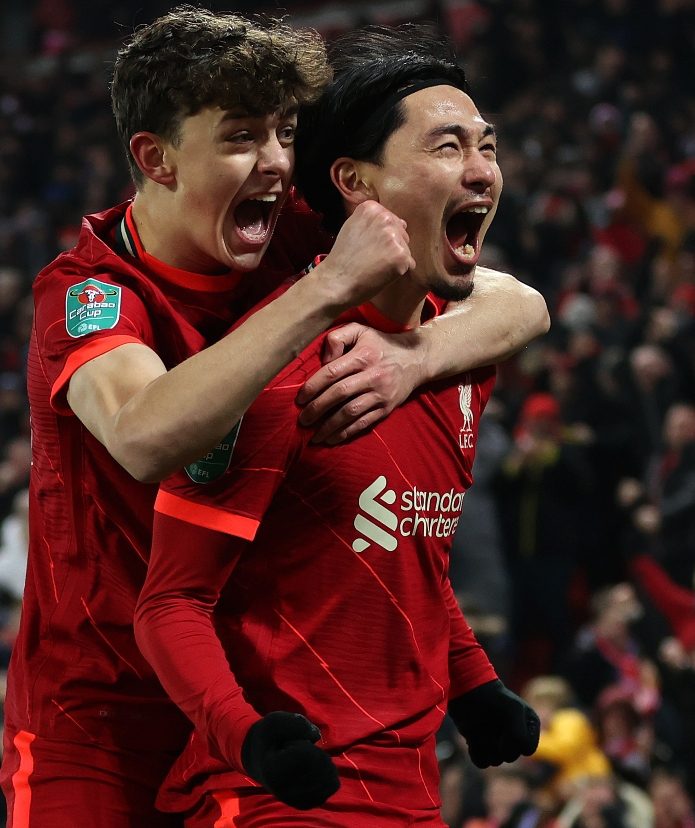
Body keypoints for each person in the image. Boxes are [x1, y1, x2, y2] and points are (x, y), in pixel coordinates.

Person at [0, 8, 549, 827]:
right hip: (101, 717)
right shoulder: (91, 293)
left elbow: (519, 302)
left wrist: (413, 356)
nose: (274, 163)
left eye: (285, 134)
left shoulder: (284, 229)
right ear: (155, 158)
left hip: (250, 695)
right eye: (239, 137)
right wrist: (322, 291)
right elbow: (144, 437)